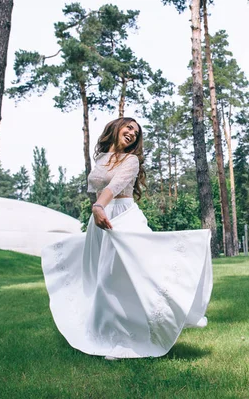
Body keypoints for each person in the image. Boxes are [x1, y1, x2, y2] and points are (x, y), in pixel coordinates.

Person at [41, 117, 213, 358]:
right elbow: (98, 187)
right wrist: (97, 211)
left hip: (122, 216)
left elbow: (114, 187)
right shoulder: (100, 158)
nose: (132, 133)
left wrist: (99, 207)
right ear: (116, 128)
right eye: (129, 127)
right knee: (103, 279)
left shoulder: (131, 160)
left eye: (136, 132)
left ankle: (146, 328)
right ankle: (108, 333)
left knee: (131, 273)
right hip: (99, 220)